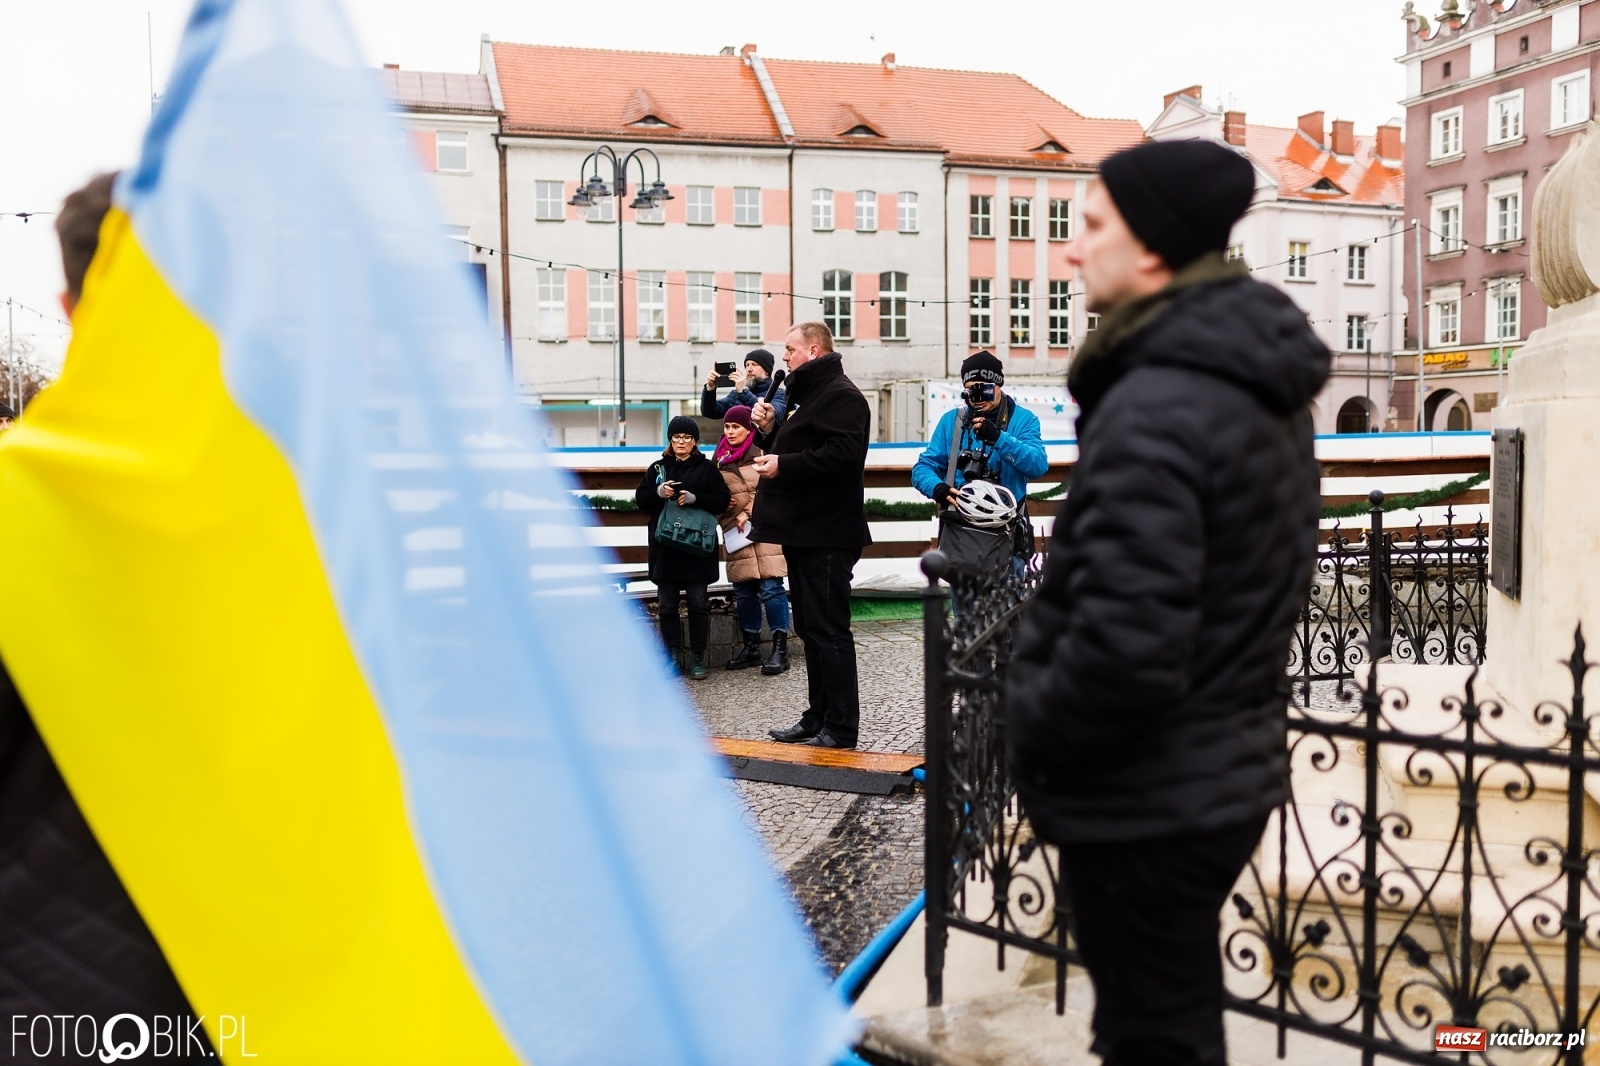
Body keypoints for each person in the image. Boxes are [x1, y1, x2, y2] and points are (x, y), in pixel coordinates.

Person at [1005, 140, 1330, 1066]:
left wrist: (1033, 728)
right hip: (1212, 769)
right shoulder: (1241, 382)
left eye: (1092, 226)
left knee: (1153, 1035)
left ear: (1151, 247)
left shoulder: (1159, 402)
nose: (1072, 250)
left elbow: (1126, 644)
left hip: (1150, 791)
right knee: (1169, 1020)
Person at [0, 172, 211, 1043]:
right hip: (273, 981)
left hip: (52, 990)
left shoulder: (16, 499)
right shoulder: (305, 505)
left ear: (69, 304)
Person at [749, 322, 870, 749]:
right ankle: (818, 717)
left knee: (829, 629)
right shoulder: (812, 396)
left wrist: (783, 464)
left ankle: (841, 727)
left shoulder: (842, 395)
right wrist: (770, 431)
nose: (783, 357)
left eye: (789, 349)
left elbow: (843, 456)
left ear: (814, 351)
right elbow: (802, 447)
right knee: (812, 628)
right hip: (806, 530)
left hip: (828, 533)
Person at [911, 350, 1048, 552]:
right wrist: (937, 488)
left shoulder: (1023, 420)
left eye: (984, 389)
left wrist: (999, 438)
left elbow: (1038, 465)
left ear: (999, 384)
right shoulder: (952, 421)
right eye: (970, 390)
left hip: (1007, 530)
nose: (977, 397)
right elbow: (922, 468)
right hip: (960, 531)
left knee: (1010, 575)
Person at [635, 415, 731, 680]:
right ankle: (672, 656)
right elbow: (641, 499)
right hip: (665, 548)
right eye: (676, 437)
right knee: (667, 605)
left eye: (687, 437)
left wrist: (695, 498)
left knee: (698, 603)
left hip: (696, 547)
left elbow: (722, 499)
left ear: (695, 441)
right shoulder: (658, 468)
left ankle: (698, 656)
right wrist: (658, 493)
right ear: (670, 439)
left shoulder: (707, 468)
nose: (681, 442)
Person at [713, 405, 791, 674]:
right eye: (727, 426)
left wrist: (747, 513)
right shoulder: (719, 459)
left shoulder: (762, 451)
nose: (730, 431)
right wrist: (721, 505)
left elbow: (770, 488)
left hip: (765, 528)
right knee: (744, 591)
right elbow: (711, 494)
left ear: (748, 429)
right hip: (735, 533)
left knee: (771, 587)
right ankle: (751, 648)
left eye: (736, 426)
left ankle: (780, 650)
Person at [702, 347, 787, 423]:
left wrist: (742, 392)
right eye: (747, 365)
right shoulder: (736, 394)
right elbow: (710, 412)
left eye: (754, 365)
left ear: (767, 371)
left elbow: (771, 416)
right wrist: (710, 389)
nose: (749, 369)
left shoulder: (780, 394)